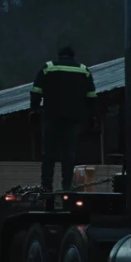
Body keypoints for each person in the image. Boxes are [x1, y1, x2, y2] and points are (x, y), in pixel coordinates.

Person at [29, 46, 97, 192]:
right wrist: (91, 117)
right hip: (73, 119)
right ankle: (67, 185)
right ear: (73, 56)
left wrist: (34, 110)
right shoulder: (83, 70)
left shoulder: (48, 68)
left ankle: (47, 186)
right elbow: (91, 97)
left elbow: (36, 91)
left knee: (49, 153)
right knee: (69, 154)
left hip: (51, 117)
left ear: (60, 56)